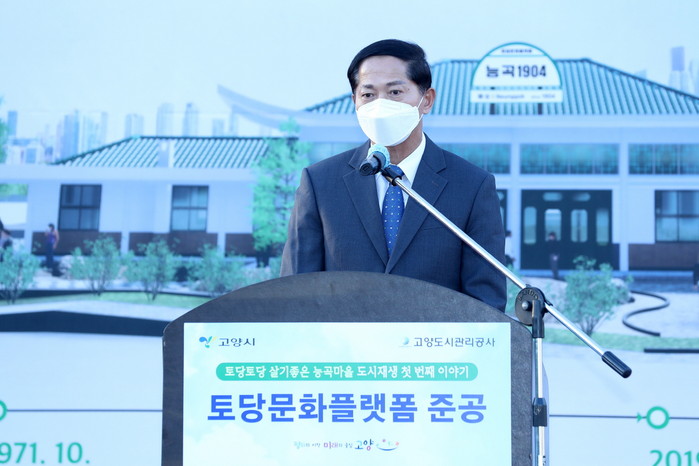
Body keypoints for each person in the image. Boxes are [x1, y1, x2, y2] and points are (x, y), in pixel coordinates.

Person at [281, 39, 506, 311]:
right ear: (355, 102)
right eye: (368, 95)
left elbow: (486, 305)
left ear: (427, 100)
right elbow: (294, 295)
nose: (380, 106)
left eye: (395, 92)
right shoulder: (320, 183)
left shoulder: (472, 186)